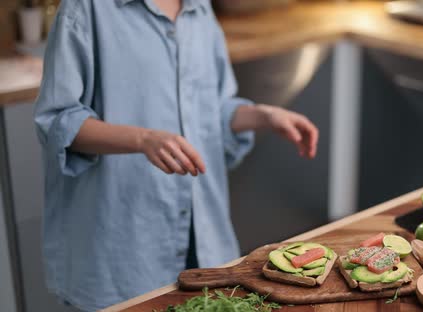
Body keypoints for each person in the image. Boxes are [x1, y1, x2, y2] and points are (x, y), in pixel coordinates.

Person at [33, 0, 319, 310]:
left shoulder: (199, 10)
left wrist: (262, 115)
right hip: (121, 256)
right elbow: (58, 122)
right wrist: (143, 139)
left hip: (206, 248)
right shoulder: (87, 9)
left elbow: (213, 112)